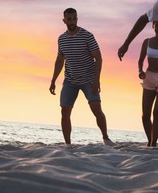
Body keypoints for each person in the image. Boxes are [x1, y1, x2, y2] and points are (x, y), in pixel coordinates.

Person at [49, 8, 115, 146]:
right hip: (70, 80)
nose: (72, 21)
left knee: (96, 109)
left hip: (89, 79)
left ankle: (106, 138)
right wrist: (53, 80)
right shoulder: (61, 39)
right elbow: (60, 60)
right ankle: (68, 144)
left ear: (77, 19)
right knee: (65, 111)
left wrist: (96, 81)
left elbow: (99, 58)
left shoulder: (87, 36)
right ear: (64, 20)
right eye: (69, 19)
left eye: (74, 18)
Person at [138, 21, 158, 147]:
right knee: (145, 115)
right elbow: (141, 60)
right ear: (153, 26)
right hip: (149, 77)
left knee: (157, 112)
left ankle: (153, 143)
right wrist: (140, 71)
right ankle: (150, 141)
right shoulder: (147, 42)